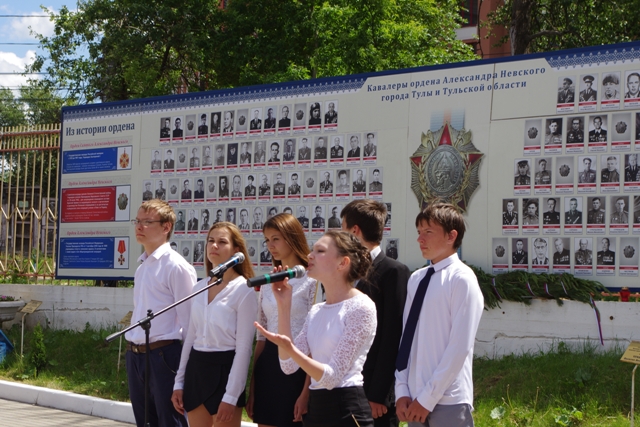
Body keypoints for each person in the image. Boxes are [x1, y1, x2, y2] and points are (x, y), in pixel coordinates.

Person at [255, 230, 377, 427]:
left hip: (346, 410)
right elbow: (288, 366)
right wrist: (284, 306)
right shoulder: (317, 310)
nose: (310, 255)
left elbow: (331, 377)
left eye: (320, 251)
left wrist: (290, 348)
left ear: (343, 263)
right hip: (316, 411)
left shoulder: (361, 306)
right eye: (312, 250)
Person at [395, 203, 483, 426]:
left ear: (451, 236)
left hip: (448, 400)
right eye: (419, 232)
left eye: (428, 232)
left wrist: (428, 398)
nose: (420, 239)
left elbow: (459, 347)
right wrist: (402, 390)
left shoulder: (462, 279)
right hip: (414, 398)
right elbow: (407, 339)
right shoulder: (417, 279)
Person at [171, 222, 257, 427]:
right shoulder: (199, 288)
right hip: (196, 371)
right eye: (211, 241)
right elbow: (190, 338)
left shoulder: (244, 290)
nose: (214, 246)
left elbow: (244, 348)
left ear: (236, 251)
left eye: (222, 242)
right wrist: (179, 382)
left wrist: (231, 396)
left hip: (224, 372)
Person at [127, 200, 197, 427]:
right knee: (145, 422)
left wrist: (183, 374)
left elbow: (190, 324)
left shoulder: (176, 266)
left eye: (147, 222)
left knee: (170, 421)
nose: (139, 227)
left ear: (166, 227)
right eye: (138, 221)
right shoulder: (142, 267)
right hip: (136, 356)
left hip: (164, 356)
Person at [341, 200, 410, 427]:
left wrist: (379, 394)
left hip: (373, 394)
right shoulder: (343, 272)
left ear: (354, 231)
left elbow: (393, 336)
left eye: (342, 228)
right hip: (343, 386)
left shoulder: (393, 272)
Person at [247, 213, 317, 427]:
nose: (270, 245)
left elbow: (315, 337)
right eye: (267, 240)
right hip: (268, 364)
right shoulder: (268, 281)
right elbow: (261, 338)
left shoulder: (313, 280)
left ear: (292, 237)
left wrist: (307, 391)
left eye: (276, 238)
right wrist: (253, 388)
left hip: (300, 364)